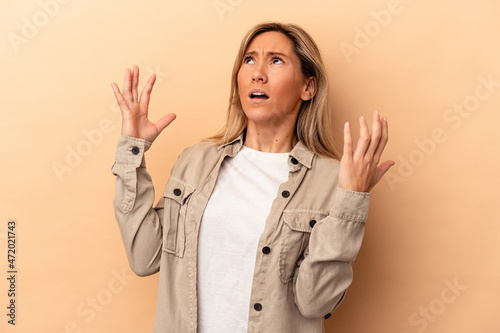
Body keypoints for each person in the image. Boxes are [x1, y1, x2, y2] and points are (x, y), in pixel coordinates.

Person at [111, 22, 394, 333]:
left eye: (275, 61)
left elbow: (315, 301)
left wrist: (351, 200)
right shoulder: (196, 160)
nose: (258, 73)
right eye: (249, 60)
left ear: (308, 87)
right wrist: (131, 153)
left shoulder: (331, 180)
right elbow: (144, 257)